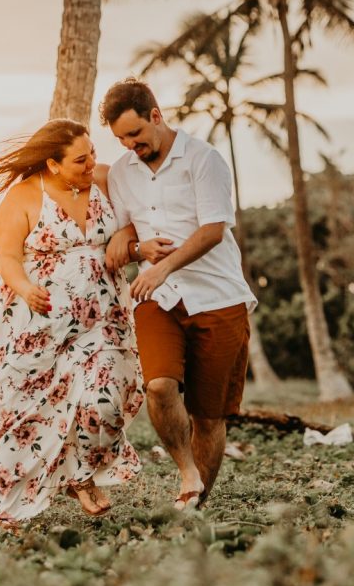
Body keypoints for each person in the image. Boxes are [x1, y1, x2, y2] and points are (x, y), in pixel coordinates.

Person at [0, 119, 144, 528]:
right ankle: (14, 505)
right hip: (35, 323)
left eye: (93, 154)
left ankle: (81, 473)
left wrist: (128, 234)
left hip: (103, 318)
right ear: (52, 164)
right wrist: (26, 288)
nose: (92, 164)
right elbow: (8, 258)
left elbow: (147, 210)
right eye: (81, 159)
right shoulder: (23, 197)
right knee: (27, 413)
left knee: (107, 401)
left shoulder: (104, 181)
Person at [100, 78, 256, 510]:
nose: (131, 145)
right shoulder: (122, 172)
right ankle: (185, 469)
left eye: (135, 134)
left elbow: (213, 229)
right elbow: (126, 223)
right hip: (158, 297)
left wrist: (163, 264)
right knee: (159, 386)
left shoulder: (204, 160)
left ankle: (194, 505)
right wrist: (131, 245)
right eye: (120, 139)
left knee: (209, 415)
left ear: (156, 115)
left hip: (217, 297)